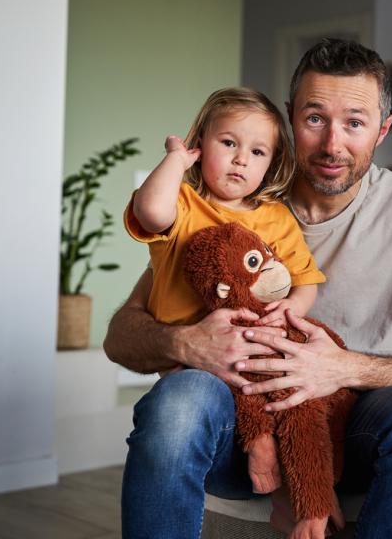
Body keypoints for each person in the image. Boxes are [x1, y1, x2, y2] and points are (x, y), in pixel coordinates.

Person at [105, 39, 392, 539]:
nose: (332, 143)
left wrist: (339, 368)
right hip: (233, 424)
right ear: (292, 117)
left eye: (355, 123)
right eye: (316, 118)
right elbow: (121, 335)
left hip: (349, 427)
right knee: (180, 400)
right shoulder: (234, 198)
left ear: (382, 129)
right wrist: (184, 343)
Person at [125, 87, 329, 536]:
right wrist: (176, 162)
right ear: (201, 143)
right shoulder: (183, 203)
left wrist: (289, 310)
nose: (241, 160)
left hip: (258, 352)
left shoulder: (276, 217)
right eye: (228, 143)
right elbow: (150, 211)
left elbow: (306, 280)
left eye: (257, 151)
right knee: (189, 401)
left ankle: (289, 494)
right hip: (196, 365)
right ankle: (261, 456)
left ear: (271, 164)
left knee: (290, 399)